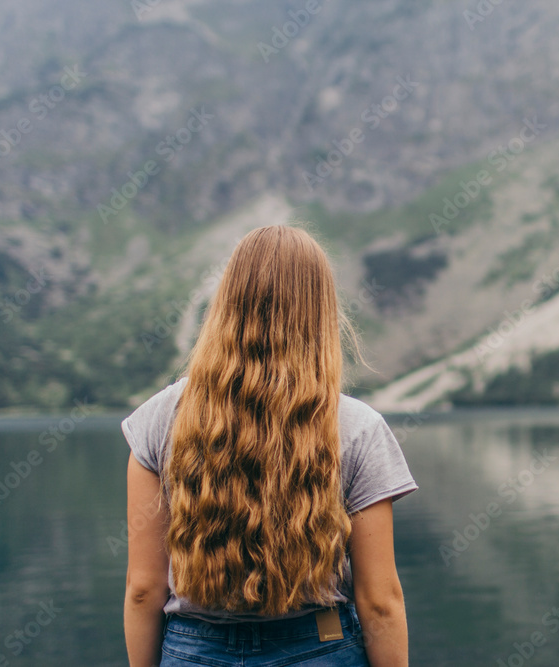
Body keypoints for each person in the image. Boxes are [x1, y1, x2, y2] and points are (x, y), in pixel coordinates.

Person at [121, 225, 418, 666]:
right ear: (320, 311)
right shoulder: (357, 426)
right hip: (320, 646)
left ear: (227, 302)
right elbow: (379, 600)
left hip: (193, 650)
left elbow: (144, 589)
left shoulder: (160, 418)